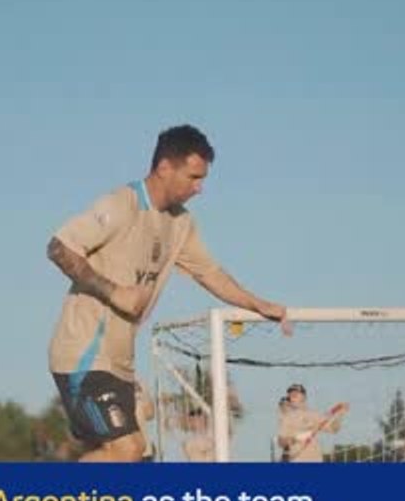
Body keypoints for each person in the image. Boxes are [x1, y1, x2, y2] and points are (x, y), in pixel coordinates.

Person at [46, 124, 291, 462]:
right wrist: (114, 291)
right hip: (84, 354)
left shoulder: (180, 223)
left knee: (139, 449)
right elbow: (60, 247)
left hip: (120, 363)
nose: (200, 188)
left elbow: (209, 273)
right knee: (127, 449)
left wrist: (258, 304)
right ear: (164, 168)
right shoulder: (122, 204)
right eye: (193, 177)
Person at [276, 384, 347, 463]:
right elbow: (281, 442)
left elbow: (334, 429)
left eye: (296, 393)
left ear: (304, 396)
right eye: (290, 394)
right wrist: (296, 438)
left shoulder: (314, 415)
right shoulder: (288, 417)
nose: (292, 395)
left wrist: (340, 415)